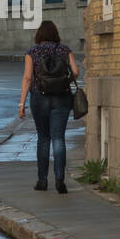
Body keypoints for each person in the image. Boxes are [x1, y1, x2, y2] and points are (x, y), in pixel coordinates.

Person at [19, 20, 80, 194]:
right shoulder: (65, 50)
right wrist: (63, 82)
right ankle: (60, 180)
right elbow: (75, 72)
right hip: (62, 97)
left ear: (39, 35)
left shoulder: (32, 51)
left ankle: (42, 181)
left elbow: (27, 78)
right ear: (55, 34)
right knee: (59, 138)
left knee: (44, 139)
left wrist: (22, 104)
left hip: (40, 97)